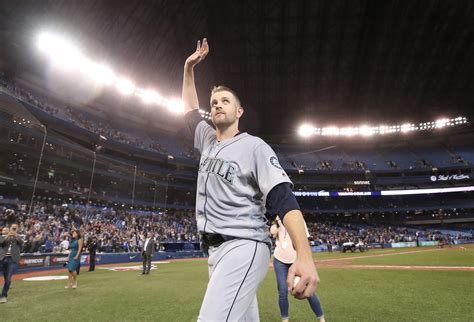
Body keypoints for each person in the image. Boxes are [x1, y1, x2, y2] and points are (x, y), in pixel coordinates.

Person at [182, 38, 319, 321]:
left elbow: (283, 198)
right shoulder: (207, 141)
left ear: (239, 111)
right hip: (215, 252)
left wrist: (304, 255)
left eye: (225, 101)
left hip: (244, 246)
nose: (218, 105)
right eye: (214, 102)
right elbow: (188, 115)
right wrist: (188, 68)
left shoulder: (255, 147)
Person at [271, 217, 325, 322]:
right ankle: (285, 320)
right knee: (282, 291)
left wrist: (306, 259)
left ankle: (321, 318)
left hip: (296, 259)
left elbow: (306, 239)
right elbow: (272, 232)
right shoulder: (277, 222)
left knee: (308, 289)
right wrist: (277, 224)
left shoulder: (298, 218)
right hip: (279, 259)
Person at [0, 224, 23, 303]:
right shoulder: (2, 237)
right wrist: (8, 236)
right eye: (4, 230)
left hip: (11, 260)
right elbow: (2, 243)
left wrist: (15, 234)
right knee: (6, 279)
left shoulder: (16, 237)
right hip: (1, 259)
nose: (6, 231)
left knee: (8, 279)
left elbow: (21, 242)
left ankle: (3, 296)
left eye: (7, 229)